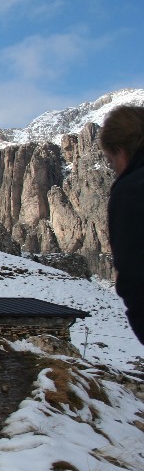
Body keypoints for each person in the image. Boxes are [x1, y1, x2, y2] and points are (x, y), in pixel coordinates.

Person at [99, 105, 144, 343]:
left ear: (121, 151)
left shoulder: (132, 189)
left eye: (111, 160)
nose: (114, 169)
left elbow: (134, 274)